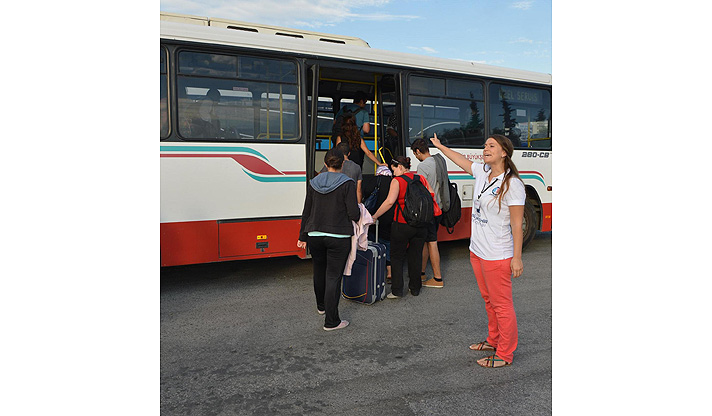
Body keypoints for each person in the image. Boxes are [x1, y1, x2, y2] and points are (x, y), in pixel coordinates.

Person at [430, 132, 525, 368]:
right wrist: (440, 146)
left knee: (502, 305)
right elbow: (460, 160)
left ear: (504, 152)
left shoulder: (512, 184)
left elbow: (517, 225)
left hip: (497, 254)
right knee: (488, 300)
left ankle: (505, 354)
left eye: (491, 145)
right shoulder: (483, 172)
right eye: (485, 145)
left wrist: (517, 258)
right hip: (478, 251)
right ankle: (493, 340)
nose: (485, 149)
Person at [298, 148, 360, 331]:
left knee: (319, 271)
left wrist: (302, 236)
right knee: (333, 276)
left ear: (325, 163)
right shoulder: (347, 183)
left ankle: (321, 307)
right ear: (343, 163)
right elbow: (354, 213)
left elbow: (307, 212)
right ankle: (331, 321)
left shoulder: (313, 182)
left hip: (315, 235)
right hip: (338, 236)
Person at [371, 156, 437, 299]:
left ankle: (397, 290)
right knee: (416, 256)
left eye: (394, 169)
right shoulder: (420, 178)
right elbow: (432, 195)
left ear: (400, 167)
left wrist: (375, 216)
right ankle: (415, 288)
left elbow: (389, 202)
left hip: (401, 224)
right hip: (421, 224)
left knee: (397, 257)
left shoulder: (397, 181)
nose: (393, 173)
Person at [410, 138, 449, 289]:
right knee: (427, 241)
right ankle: (421, 273)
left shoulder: (422, 166)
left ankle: (437, 278)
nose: (416, 157)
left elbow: (421, 191)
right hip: (439, 208)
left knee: (432, 243)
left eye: (415, 154)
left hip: (429, 210)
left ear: (418, 152)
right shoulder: (439, 161)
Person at [334, 92, 385, 169]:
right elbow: (366, 130)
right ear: (361, 101)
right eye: (365, 102)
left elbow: (334, 122)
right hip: (356, 161)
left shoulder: (343, 109)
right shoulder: (358, 137)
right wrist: (379, 163)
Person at [364, 165, 394, 280]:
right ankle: (389, 271)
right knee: (387, 243)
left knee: (372, 242)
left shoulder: (373, 181)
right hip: (389, 218)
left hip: (373, 217)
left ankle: (374, 267)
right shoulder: (393, 182)